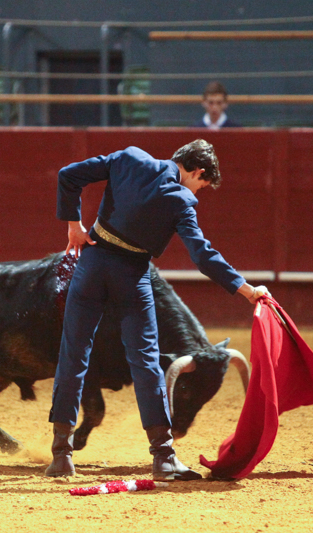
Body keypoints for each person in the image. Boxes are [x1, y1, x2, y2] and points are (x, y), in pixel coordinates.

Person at [45, 139, 270, 481]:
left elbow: (68, 175)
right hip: (132, 275)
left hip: (91, 264)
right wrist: (247, 290)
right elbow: (203, 256)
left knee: (73, 351)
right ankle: (163, 457)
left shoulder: (129, 157)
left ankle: (61, 454)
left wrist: (73, 225)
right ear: (198, 171)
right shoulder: (181, 200)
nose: (199, 190)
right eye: (202, 185)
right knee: (145, 360)